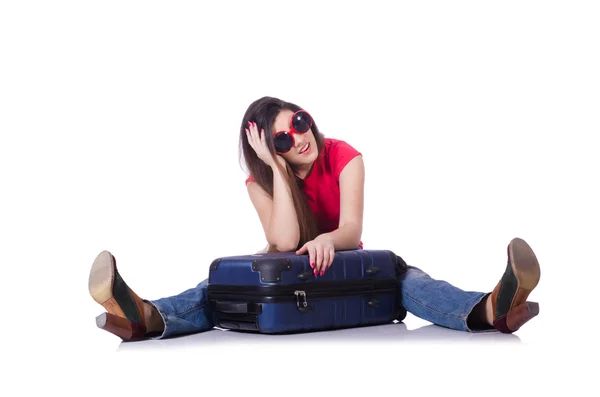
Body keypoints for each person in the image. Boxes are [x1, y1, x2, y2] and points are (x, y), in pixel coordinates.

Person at [88, 96, 541, 341]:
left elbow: (353, 230)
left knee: (409, 281)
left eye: (299, 122)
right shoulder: (261, 183)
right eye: (281, 140)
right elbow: (283, 242)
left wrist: (327, 239)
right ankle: (142, 317)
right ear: (269, 153)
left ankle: (491, 308)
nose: (299, 138)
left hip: (343, 263)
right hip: (288, 274)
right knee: (215, 292)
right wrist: (278, 172)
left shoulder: (345, 156)